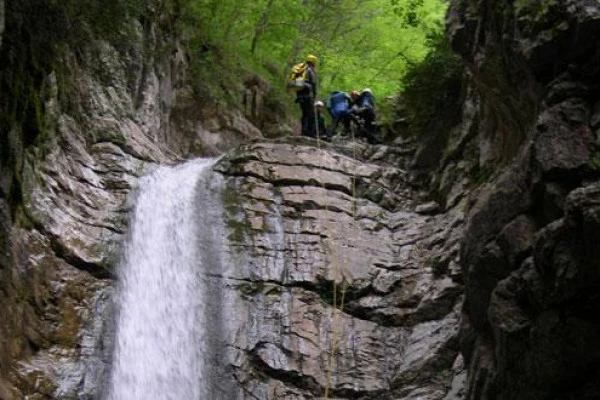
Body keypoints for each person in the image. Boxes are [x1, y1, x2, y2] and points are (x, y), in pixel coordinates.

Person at [296, 54, 318, 137]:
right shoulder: (310, 70)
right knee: (311, 115)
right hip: (308, 96)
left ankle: (304, 132)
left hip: (300, 96)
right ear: (314, 62)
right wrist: (313, 96)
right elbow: (313, 85)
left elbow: (297, 83)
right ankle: (308, 133)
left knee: (305, 114)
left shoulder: (302, 70)